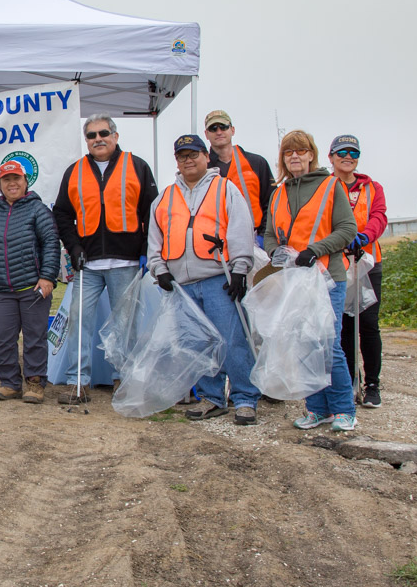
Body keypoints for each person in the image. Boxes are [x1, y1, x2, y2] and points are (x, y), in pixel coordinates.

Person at [147, 135, 260, 424]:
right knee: (197, 344)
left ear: (205, 156)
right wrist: (159, 270)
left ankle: (245, 398)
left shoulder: (226, 189)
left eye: (193, 154)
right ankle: (211, 398)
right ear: (177, 161)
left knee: (233, 340)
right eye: (182, 156)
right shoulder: (165, 196)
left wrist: (240, 269)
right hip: (182, 285)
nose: (188, 160)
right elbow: (155, 239)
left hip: (218, 279)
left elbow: (240, 229)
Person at [52, 114, 158, 403]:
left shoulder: (137, 167)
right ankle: (78, 383)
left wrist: (147, 251)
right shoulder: (74, 172)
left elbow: (153, 212)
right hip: (88, 264)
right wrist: (73, 248)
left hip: (126, 263)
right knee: (78, 321)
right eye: (91, 135)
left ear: (115, 136)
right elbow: (61, 213)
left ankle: (124, 381)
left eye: (103, 133)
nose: (98, 139)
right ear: (86, 140)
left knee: (126, 326)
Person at [263, 129, 358, 432]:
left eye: (301, 151)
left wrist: (315, 250)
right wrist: (275, 251)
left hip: (326, 277)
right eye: (289, 152)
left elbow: (347, 229)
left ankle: (344, 409)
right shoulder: (278, 193)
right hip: (293, 279)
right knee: (303, 344)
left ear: (311, 155)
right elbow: (268, 234)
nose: (295, 156)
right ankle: (317, 409)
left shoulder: (331, 186)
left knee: (327, 343)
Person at [0, 161, 58, 403]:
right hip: (2, 291)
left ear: (25, 182)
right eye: (6, 180)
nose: (12, 183)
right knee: (2, 338)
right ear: (0, 184)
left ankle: (35, 384)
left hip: (33, 288)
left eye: (16, 179)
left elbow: (51, 245)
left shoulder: (38, 210)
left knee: (34, 337)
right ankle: (10, 383)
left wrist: (47, 277)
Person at [328, 134, 388, 408]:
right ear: (331, 157)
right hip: (337, 265)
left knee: (368, 325)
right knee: (345, 326)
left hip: (367, 263)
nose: (348, 157)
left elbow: (379, 216)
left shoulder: (372, 187)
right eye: (342, 153)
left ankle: (372, 384)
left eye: (353, 153)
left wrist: (364, 236)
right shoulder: (326, 187)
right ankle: (351, 379)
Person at [203, 110, 275, 246]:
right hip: (215, 243)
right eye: (213, 128)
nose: (219, 132)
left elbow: (271, 203)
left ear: (232, 130)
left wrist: (263, 236)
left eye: (223, 127)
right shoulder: (202, 169)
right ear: (206, 134)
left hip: (254, 240)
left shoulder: (256, 163)